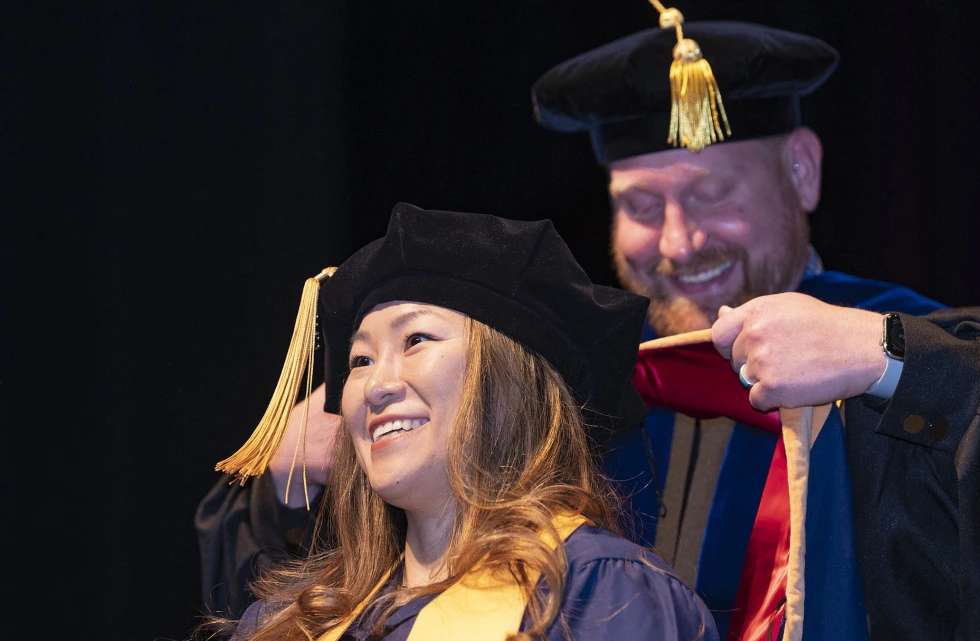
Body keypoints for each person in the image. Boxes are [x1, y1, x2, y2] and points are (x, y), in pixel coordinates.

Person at [199, 11, 980, 640]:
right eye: (643, 205)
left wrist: (887, 358)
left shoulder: (898, 347)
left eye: (716, 194)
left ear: (803, 173)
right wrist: (293, 480)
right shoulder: (556, 397)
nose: (681, 241)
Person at [202, 203, 718, 641]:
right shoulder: (294, 621)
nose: (375, 385)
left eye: (416, 340)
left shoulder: (600, 597)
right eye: (360, 360)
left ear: (511, 382)